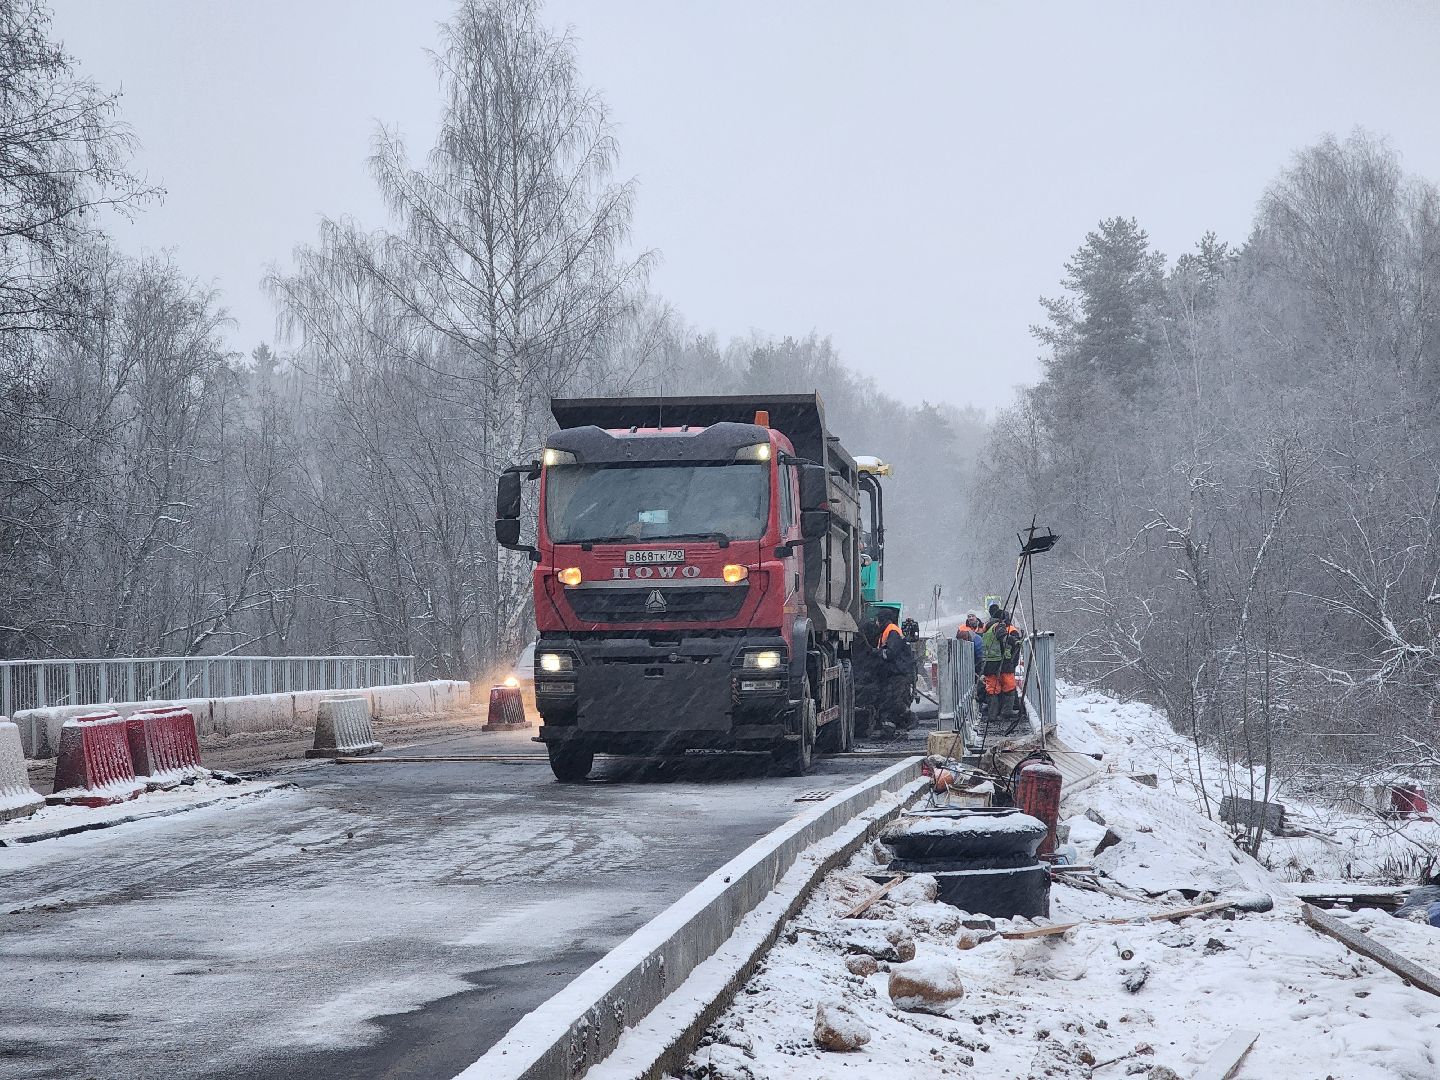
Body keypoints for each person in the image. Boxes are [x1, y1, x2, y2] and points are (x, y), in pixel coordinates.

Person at [980, 604, 1023, 721]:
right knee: (1009, 687)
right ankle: (1006, 713)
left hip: (989, 664)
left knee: (992, 689)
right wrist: (1015, 642)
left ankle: (992, 715)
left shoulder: (987, 628)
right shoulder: (998, 626)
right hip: (1002, 662)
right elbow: (1003, 637)